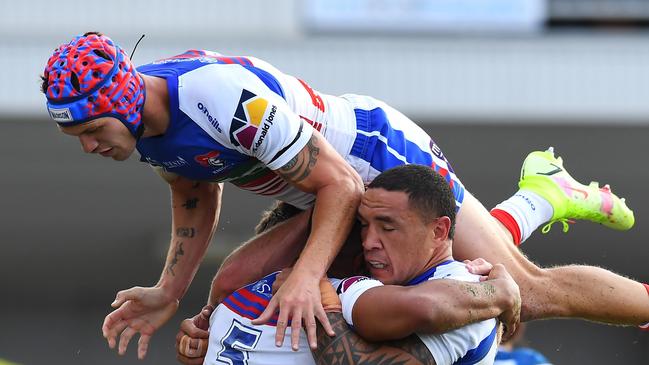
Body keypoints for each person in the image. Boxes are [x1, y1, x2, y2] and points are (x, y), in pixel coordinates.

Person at [41, 32, 648, 359]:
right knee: (236, 281)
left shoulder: (218, 97)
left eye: (92, 131)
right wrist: (168, 292)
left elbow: (343, 184)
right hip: (323, 191)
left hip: (373, 160)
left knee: (528, 292)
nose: (90, 147)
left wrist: (308, 278)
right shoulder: (146, 130)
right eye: (76, 137)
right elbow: (194, 193)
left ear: (122, 102)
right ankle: (541, 195)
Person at [179, 165, 521, 365]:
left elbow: (427, 307)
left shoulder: (466, 286)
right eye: (361, 225)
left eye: (386, 227)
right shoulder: (348, 289)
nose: (369, 240)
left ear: (439, 230)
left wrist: (499, 292)